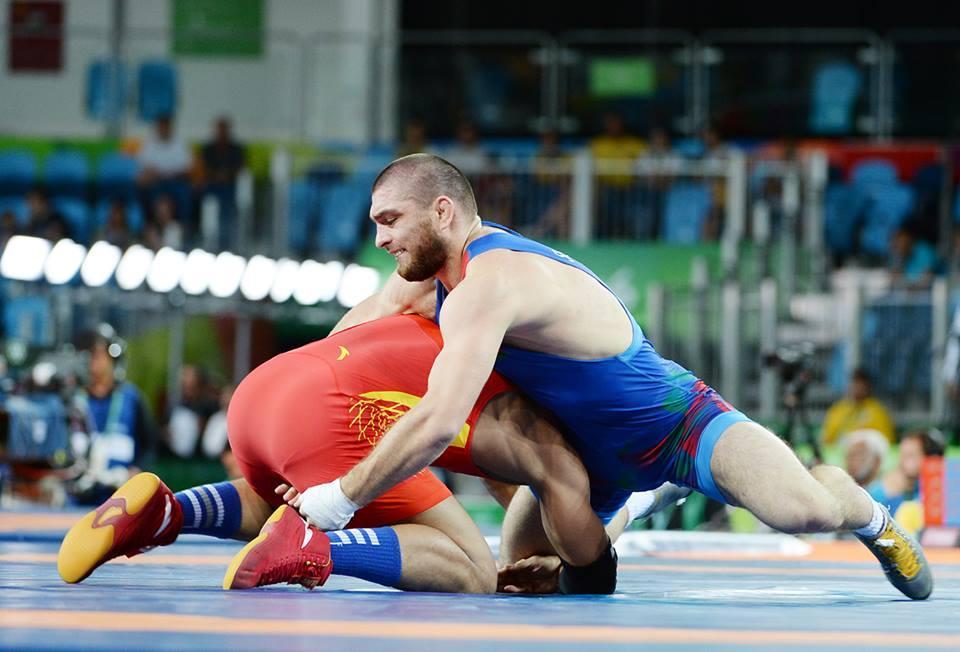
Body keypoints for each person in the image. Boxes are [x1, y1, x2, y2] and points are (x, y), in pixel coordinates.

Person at [296, 153, 933, 600]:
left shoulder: (494, 281)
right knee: (524, 566)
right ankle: (637, 497)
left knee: (805, 513)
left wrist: (338, 498)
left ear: (441, 212)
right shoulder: (426, 283)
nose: (378, 237)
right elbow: (341, 347)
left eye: (388, 221)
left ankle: (869, 515)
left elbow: (437, 421)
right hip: (588, 460)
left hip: (679, 425)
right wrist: (289, 409)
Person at [57, 314, 682, 593]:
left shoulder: (452, 318)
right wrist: (636, 505)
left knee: (291, 489)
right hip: (333, 415)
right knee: (470, 569)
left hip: (261, 394)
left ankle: (167, 512)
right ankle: (316, 546)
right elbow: (538, 523)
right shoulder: (536, 409)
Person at [68, 324, 155, 505]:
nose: (93, 362)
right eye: (89, 356)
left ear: (113, 358)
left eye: (99, 355)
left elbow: (150, 444)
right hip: (76, 495)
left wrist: (138, 470)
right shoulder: (71, 399)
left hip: (120, 496)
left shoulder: (132, 398)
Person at [868, 429, 945, 516]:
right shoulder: (881, 489)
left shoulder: (944, 490)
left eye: (911, 455)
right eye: (902, 454)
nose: (902, 462)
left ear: (932, 459)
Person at [200, 116, 245, 250]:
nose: (221, 132)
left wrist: (226, 175)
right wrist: (217, 176)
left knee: (227, 203)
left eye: (224, 129)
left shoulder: (236, 149)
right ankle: (210, 240)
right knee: (210, 198)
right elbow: (203, 169)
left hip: (231, 187)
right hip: (212, 185)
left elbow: (240, 169)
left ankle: (225, 243)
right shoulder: (208, 149)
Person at [822, 367, 896, 446]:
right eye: (855, 384)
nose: (857, 389)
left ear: (868, 387)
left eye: (861, 385)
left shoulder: (878, 412)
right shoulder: (838, 410)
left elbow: (887, 441)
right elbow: (827, 439)